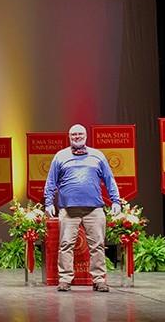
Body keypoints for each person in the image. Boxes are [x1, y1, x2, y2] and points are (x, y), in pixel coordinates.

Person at [44, 124, 121, 292]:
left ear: (86, 136)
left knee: (98, 245)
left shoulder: (97, 156)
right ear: (69, 137)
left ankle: (99, 280)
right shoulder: (60, 156)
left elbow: (109, 179)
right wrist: (49, 202)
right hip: (69, 210)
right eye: (73, 134)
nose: (77, 137)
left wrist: (116, 201)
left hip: (94, 209)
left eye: (80, 134)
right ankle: (64, 280)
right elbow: (51, 182)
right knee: (65, 245)